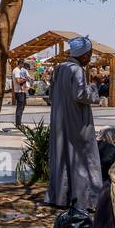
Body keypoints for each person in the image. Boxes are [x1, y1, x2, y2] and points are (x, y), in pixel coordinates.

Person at [44, 36, 103, 210]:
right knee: (83, 158)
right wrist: (94, 85)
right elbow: (81, 95)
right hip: (77, 122)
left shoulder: (59, 68)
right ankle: (86, 199)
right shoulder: (76, 70)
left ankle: (61, 196)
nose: (90, 58)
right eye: (89, 54)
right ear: (83, 55)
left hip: (61, 121)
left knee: (63, 156)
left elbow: (52, 95)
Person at [12, 59, 33, 129]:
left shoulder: (21, 70)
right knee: (20, 108)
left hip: (23, 91)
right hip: (18, 91)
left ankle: (19, 122)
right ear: (20, 63)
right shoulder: (16, 70)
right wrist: (26, 79)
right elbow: (18, 80)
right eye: (23, 64)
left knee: (22, 107)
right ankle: (18, 124)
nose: (24, 65)